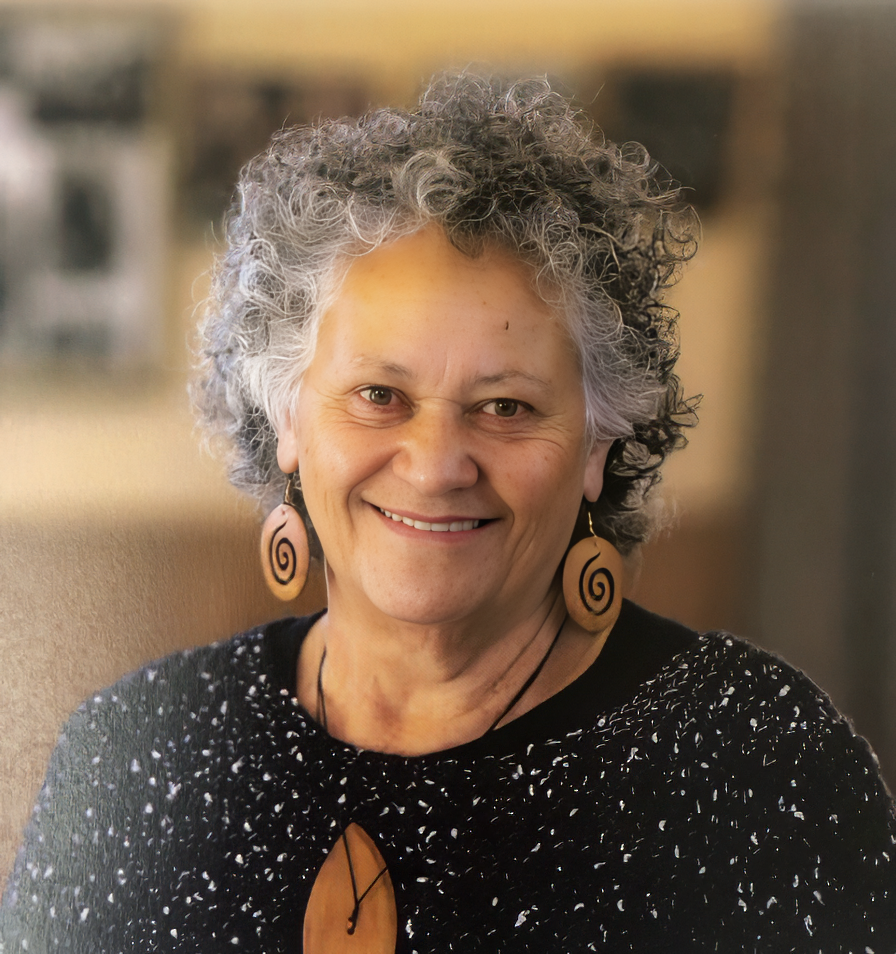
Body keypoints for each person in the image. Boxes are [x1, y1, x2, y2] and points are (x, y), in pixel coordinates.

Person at [2, 72, 895, 954]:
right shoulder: (131, 753)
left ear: (596, 446)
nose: (436, 466)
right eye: (380, 394)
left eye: (505, 406)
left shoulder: (760, 761)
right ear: (286, 421)